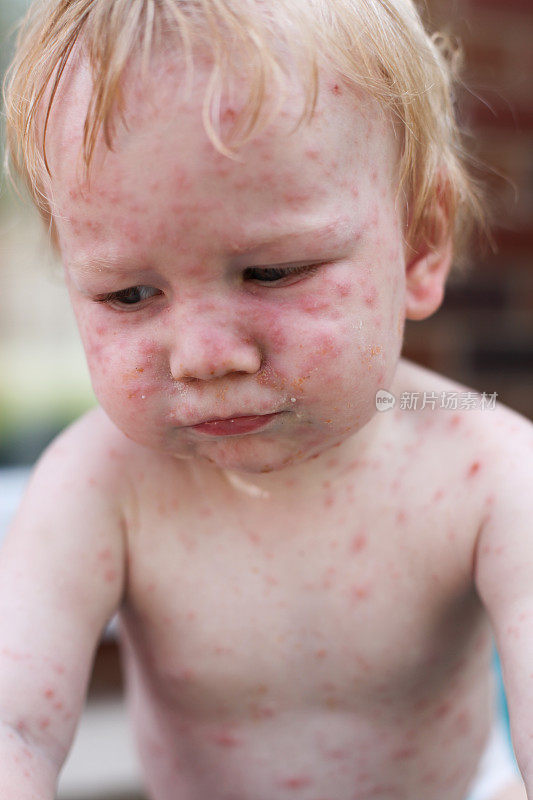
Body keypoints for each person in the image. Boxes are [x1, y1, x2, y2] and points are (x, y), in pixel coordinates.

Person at [1, 0, 532, 798]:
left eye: (270, 273)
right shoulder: (100, 483)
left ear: (419, 245)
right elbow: (14, 721)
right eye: (128, 292)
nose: (205, 356)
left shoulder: (484, 467)